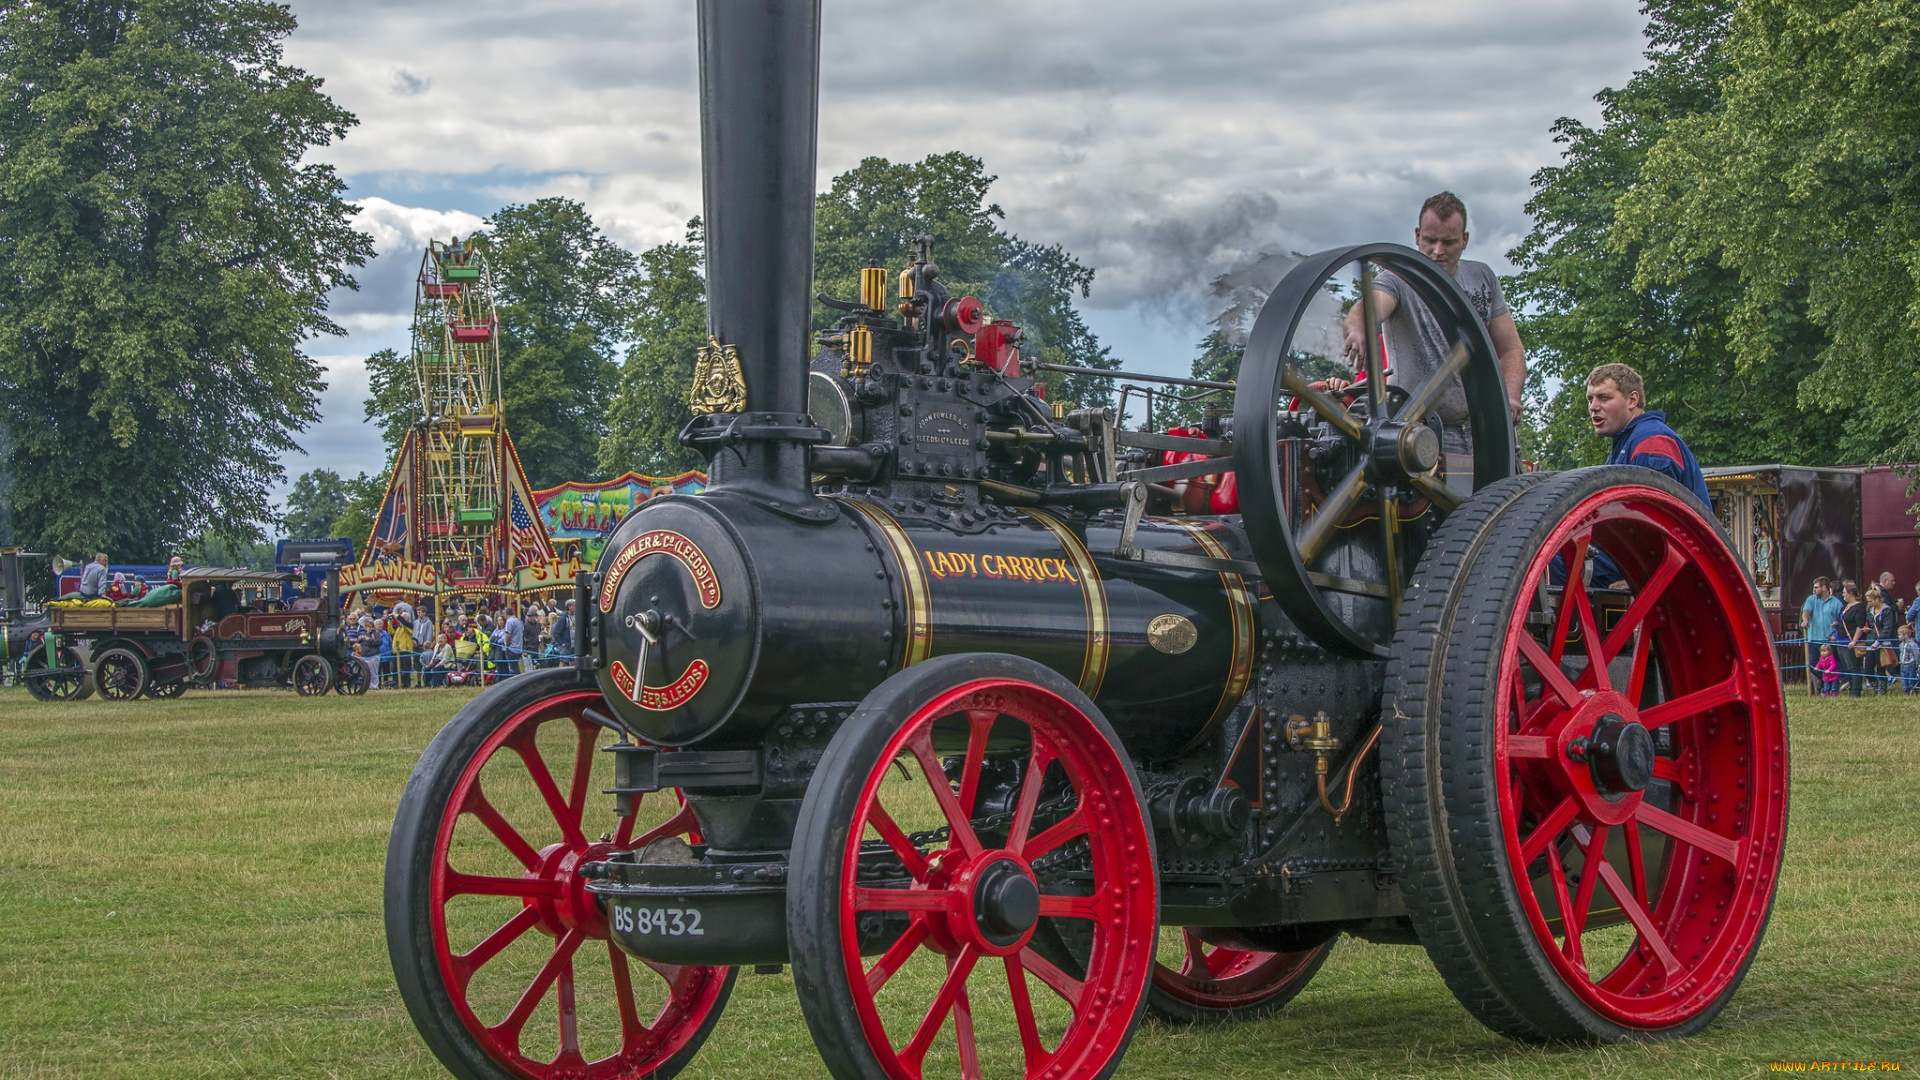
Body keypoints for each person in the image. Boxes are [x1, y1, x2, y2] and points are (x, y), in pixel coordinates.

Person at [1339, 192, 1528, 452]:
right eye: (1430, 240)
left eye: (1448, 242)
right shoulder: (1396, 280)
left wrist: (1510, 396)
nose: (1438, 251)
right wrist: (1359, 330)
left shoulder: (1483, 278)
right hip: (1421, 432)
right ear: (1417, 236)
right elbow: (1368, 307)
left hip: (1484, 429)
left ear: (1465, 240)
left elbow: (1511, 350)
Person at [1586, 364, 1710, 503]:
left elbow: (1646, 514)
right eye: (1590, 399)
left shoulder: (1652, 441)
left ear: (1632, 400)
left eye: (1604, 398)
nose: (1593, 407)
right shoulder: (1628, 441)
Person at [1801, 577, 1843, 694]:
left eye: (1816, 587)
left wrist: (1837, 630)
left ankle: (1830, 686)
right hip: (1814, 639)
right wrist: (1805, 620)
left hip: (1829, 640)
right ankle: (1825, 681)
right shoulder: (1811, 599)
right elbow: (1806, 611)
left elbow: (1841, 621)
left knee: (1832, 665)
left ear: (1824, 588)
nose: (1813, 590)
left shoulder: (1836, 603)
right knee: (1813, 665)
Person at [1839, 583, 1871, 697]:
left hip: (1851, 640)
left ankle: (1855, 692)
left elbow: (1860, 626)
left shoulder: (1859, 607)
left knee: (1853, 667)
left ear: (1851, 593)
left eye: (1844, 593)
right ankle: (1851, 688)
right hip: (1841, 640)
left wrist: (1854, 641)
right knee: (1847, 667)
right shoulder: (1845, 606)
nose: (1843, 595)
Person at [1870, 587, 1900, 696]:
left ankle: (1882, 692)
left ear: (1877, 599)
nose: (1869, 603)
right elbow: (1871, 624)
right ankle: (1876, 688)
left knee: (1880, 668)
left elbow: (1887, 629)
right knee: (1868, 670)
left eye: (1871, 601)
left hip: (1882, 643)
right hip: (1871, 642)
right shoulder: (1871, 611)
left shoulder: (1887, 611)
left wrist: (1878, 642)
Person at [392, 614, 415, 689]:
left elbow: (404, 623)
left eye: (403, 617)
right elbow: (391, 631)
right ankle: (396, 684)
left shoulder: (409, 625)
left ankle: (406, 685)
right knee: (395, 669)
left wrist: (396, 615)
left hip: (405, 650)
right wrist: (390, 621)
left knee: (406, 669)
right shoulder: (399, 627)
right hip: (397, 651)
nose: (401, 619)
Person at [501, 605, 525, 678]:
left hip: (511, 648)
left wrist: (507, 645)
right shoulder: (518, 620)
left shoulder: (509, 622)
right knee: (515, 666)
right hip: (518, 647)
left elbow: (508, 635)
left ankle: (517, 681)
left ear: (506, 614)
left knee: (513, 668)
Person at [1901, 624, 1919, 695]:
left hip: (1911, 664)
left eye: (1900, 635)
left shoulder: (1913, 644)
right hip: (1903, 665)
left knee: (1911, 678)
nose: (1898, 636)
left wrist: (1916, 664)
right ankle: (1906, 690)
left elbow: (1916, 654)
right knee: (1904, 679)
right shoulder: (1901, 645)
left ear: (1906, 635)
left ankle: (1913, 690)